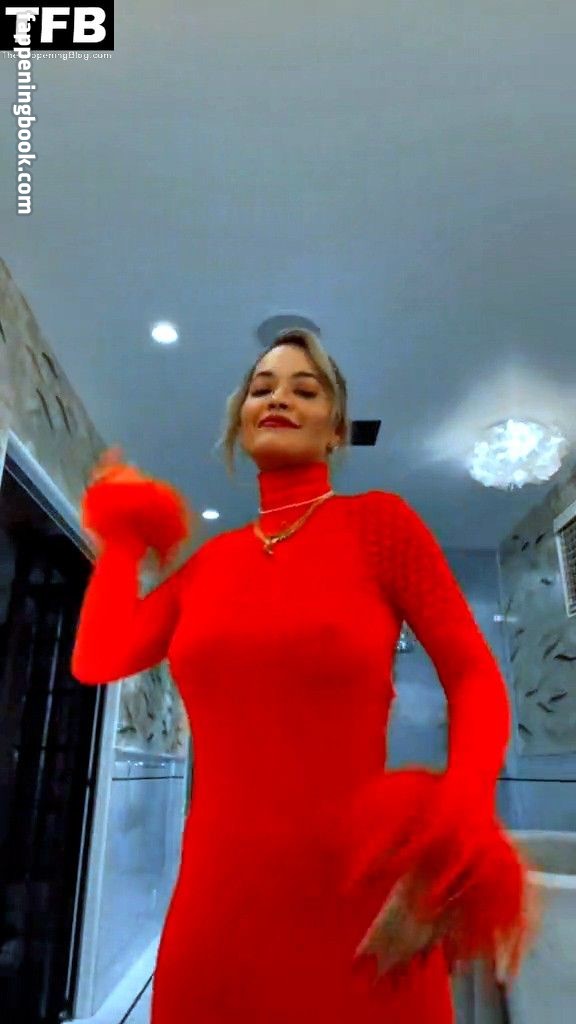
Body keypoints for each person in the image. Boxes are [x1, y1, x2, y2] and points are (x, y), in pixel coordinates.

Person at [72, 330, 532, 1023]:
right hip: (217, 905)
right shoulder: (210, 567)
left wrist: (459, 826)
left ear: (335, 431)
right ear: (241, 423)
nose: (278, 398)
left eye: (304, 389)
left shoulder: (379, 526)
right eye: (261, 388)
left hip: (361, 901)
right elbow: (99, 657)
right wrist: (124, 539)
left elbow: (473, 676)